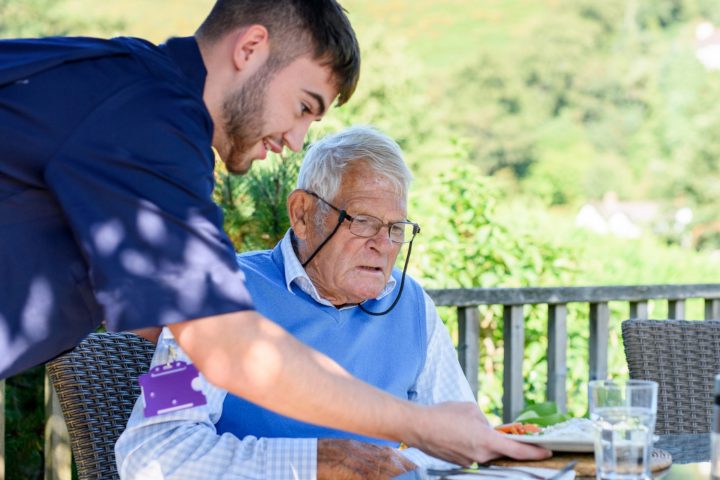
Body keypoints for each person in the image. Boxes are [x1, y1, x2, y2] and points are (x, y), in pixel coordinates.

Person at [0, 0, 549, 465]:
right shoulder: (151, 122)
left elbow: (173, 325)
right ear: (250, 48)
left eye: (395, 229)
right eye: (303, 106)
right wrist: (412, 428)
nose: (294, 138)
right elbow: (226, 354)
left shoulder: (133, 96)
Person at [115, 126, 549, 479]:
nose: (383, 245)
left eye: (397, 228)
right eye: (362, 221)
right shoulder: (215, 295)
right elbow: (153, 450)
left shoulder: (411, 305)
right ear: (303, 213)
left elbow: (452, 447)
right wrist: (316, 461)